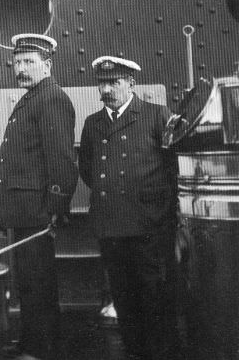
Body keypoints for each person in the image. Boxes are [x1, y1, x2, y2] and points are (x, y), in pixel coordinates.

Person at [78, 56, 181, 360]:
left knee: (154, 297)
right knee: (123, 298)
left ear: (131, 83)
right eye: (102, 82)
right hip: (111, 227)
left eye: (114, 82)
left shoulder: (155, 115)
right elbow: (88, 169)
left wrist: (161, 209)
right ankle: (135, 353)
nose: (106, 89)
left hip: (148, 226)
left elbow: (173, 166)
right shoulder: (93, 124)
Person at [0, 33, 78, 360]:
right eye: (17, 62)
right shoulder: (33, 97)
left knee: (38, 283)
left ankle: (41, 349)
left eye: (29, 62)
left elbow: (61, 158)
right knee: (29, 281)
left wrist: (56, 206)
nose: (21, 68)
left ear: (47, 65)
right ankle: (32, 343)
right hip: (25, 209)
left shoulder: (51, 98)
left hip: (37, 210)